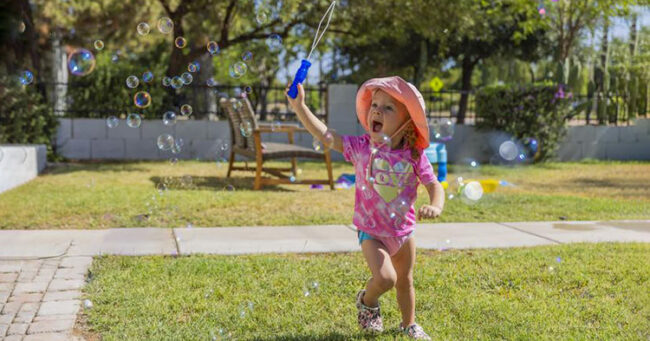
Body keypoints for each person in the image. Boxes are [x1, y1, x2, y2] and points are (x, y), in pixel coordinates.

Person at [286, 76, 445, 339]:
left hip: (403, 232)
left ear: (408, 123)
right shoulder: (362, 148)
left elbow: (434, 185)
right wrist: (300, 107)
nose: (377, 110)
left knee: (405, 280)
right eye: (374, 104)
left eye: (388, 107)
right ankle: (367, 300)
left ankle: (409, 324)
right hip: (371, 231)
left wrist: (436, 205)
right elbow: (326, 136)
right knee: (386, 279)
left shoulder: (415, 155)